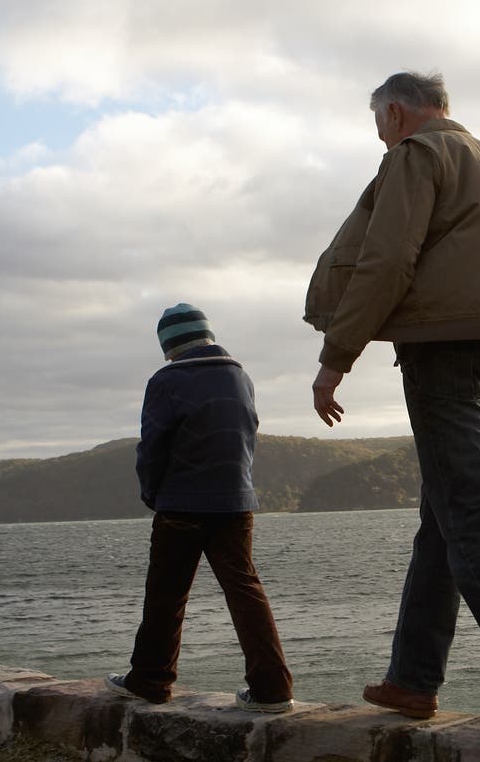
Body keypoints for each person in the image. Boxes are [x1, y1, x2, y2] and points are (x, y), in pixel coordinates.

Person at [302, 71, 480, 740]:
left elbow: (388, 260)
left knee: (467, 515)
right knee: (445, 516)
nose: (380, 136)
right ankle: (412, 679)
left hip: (444, 352)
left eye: (378, 124)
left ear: (397, 113)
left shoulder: (415, 156)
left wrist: (335, 357)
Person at [105, 303, 295, 713]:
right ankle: (273, 690)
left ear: (169, 345)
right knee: (245, 591)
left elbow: (152, 446)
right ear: (208, 335)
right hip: (235, 501)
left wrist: (151, 494)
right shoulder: (239, 376)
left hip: (181, 504)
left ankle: (151, 681)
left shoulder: (166, 381)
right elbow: (248, 433)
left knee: (166, 596)